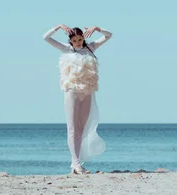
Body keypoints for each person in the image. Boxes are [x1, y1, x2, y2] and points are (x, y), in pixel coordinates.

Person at [43, 24, 112, 174]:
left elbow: (109, 35)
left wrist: (97, 28)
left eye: (80, 39)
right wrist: (59, 26)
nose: (78, 42)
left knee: (82, 128)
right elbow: (46, 37)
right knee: (72, 128)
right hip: (72, 91)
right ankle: (75, 163)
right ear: (70, 41)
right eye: (75, 40)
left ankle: (77, 163)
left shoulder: (91, 48)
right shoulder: (66, 49)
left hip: (87, 92)